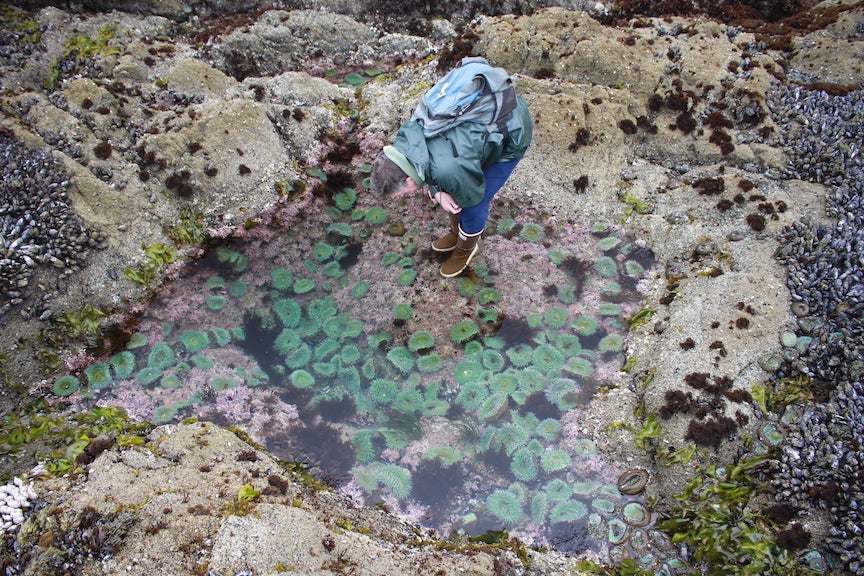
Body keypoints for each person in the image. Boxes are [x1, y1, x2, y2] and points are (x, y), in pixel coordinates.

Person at [370, 57, 533, 278]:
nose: (403, 196)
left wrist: (438, 192)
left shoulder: (447, 169)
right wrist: (437, 191)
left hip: (511, 132)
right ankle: (457, 233)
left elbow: (471, 195)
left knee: (473, 203)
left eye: (400, 194)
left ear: (408, 180)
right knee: (453, 190)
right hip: (474, 137)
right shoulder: (406, 138)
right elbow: (430, 164)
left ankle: (466, 248)